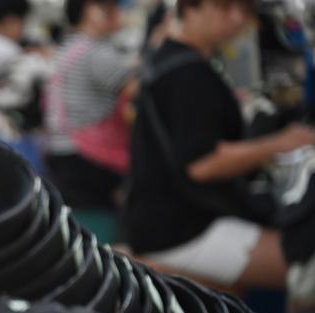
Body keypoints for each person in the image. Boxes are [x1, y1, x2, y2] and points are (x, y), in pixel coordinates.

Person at [123, 0, 315, 289]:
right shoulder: (187, 74)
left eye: (244, 10)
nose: (237, 18)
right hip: (181, 228)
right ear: (190, 8)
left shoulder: (171, 59)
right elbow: (203, 164)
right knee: (305, 268)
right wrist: (279, 143)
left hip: (165, 218)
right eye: (225, 7)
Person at [44, 0, 135, 210]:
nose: (117, 13)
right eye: (110, 7)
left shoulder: (69, 47)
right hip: (88, 156)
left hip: (61, 150)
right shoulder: (96, 52)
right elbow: (138, 89)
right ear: (91, 11)